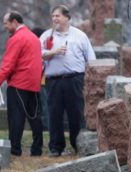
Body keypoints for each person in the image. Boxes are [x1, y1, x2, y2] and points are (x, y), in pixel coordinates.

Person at [39, 4, 96, 157]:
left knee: (76, 114)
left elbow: (90, 59)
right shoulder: (46, 36)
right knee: (54, 113)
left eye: (57, 16)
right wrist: (53, 52)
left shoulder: (80, 36)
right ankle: (56, 147)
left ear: (67, 18)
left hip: (74, 80)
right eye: (53, 16)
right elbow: (37, 55)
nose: (54, 19)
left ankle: (78, 145)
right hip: (53, 81)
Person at [0, 12, 44, 157]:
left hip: (19, 84)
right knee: (35, 117)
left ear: (14, 22)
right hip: (34, 83)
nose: (4, 26)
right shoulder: (34, 37)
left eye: (5, 23)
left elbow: (8, 65)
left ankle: (15, 149)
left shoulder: (16, 38)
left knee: (16, 118)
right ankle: (37, 149)